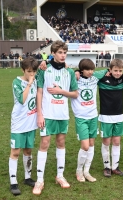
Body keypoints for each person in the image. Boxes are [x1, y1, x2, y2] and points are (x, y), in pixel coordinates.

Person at [33, 40, 78, 195]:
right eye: (60, 52)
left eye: (65, 53)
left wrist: (61, 91)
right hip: (47, 114)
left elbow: (75, 94)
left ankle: (60, 176)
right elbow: (39, 92)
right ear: (53, 53)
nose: (63, 55)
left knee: (61, 142)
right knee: (44, 143)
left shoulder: (69, 72)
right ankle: (39, 180)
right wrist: (39, 114)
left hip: (62, 114)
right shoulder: (44, 70)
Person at [71, 59, 107, 182]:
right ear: (81, 71)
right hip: (81, 117)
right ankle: (79, 171)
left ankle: (86, 171)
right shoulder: (75, 79)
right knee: (85, 146)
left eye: (92, 69)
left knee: (91, 144)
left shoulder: (95, 77)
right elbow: (65, 72)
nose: (90, 72)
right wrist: (75, 72)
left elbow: (109, 69)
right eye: (87, 70)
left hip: (93, 116)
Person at [8, 57, 39, 196]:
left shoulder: (36, 79)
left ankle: (28, 178)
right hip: (19, 123)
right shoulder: (17, 82)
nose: (31, 75)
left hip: (31, 123)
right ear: (23, 70)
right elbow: (22, 100)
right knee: (15, 152)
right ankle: (13, 182)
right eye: (29, 72)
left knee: (28, 151)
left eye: (34, 72)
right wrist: (29, 84)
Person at [98, 59, 123, 177]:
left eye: (120, 71)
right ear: (110, 70)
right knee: (106, 141)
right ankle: (107, 167)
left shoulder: (122, 81)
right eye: (115, 70)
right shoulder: (102, 79)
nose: (117, 73)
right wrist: (105, 71)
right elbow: (90, 73)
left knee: (116, 141)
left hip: (119, 116)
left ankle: (115, 167)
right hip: (106, 116)